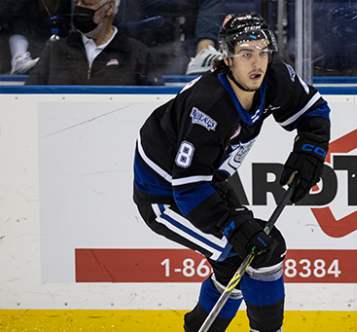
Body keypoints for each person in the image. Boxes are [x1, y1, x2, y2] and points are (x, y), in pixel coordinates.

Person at [132, 12, 331, 332]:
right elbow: (187, 187)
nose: (258, 63)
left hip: (207, 181)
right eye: (246, 54)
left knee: (246, 256)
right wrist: (233, 224)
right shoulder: (208, 107)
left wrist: (310, 151)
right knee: (250, 253)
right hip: (164, 195)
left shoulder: (275, 81)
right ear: (226, 59)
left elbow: (314, 110)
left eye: (264, 51)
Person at [25, 0, 163, 85]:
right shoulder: (56, 49)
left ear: (109, 7)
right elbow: (29, 94)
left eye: (87, 3)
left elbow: (153, 104)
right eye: (77, 3)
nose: (79, 8)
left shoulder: (136, 52)